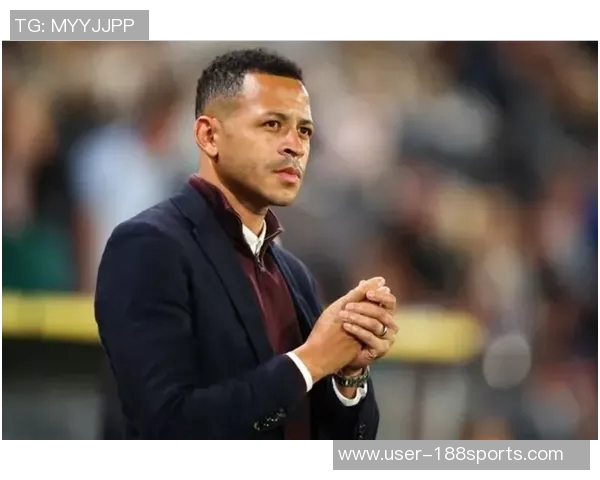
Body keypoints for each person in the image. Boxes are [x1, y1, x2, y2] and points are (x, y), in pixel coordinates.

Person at [94, 48, 398, 440]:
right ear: (209, 136)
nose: (295, 145)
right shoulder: (148, 246)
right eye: (272, 124)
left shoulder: (294, 275)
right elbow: (166, 426)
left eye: (304, 131)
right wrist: (309, 361)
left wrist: (347, 373)